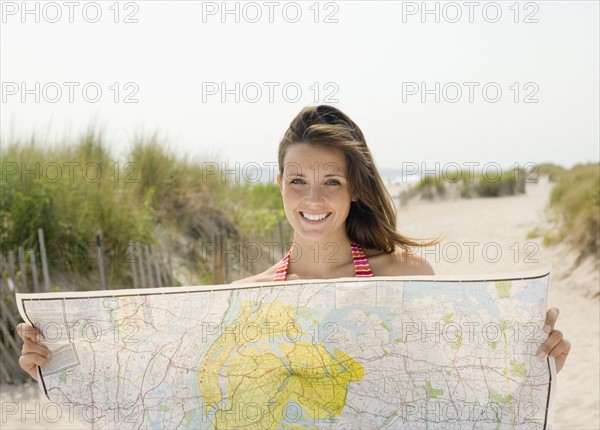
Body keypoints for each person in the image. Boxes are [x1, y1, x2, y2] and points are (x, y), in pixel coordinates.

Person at [17, 105, 571, 381]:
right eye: (299, 180)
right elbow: (170, 378)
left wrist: (534, 358)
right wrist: (60, 361)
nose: (314, 197)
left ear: (354, 188)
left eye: (332, 181)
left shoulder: (406, 275)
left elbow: (459, 379)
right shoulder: (243, 296)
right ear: (280, 185)